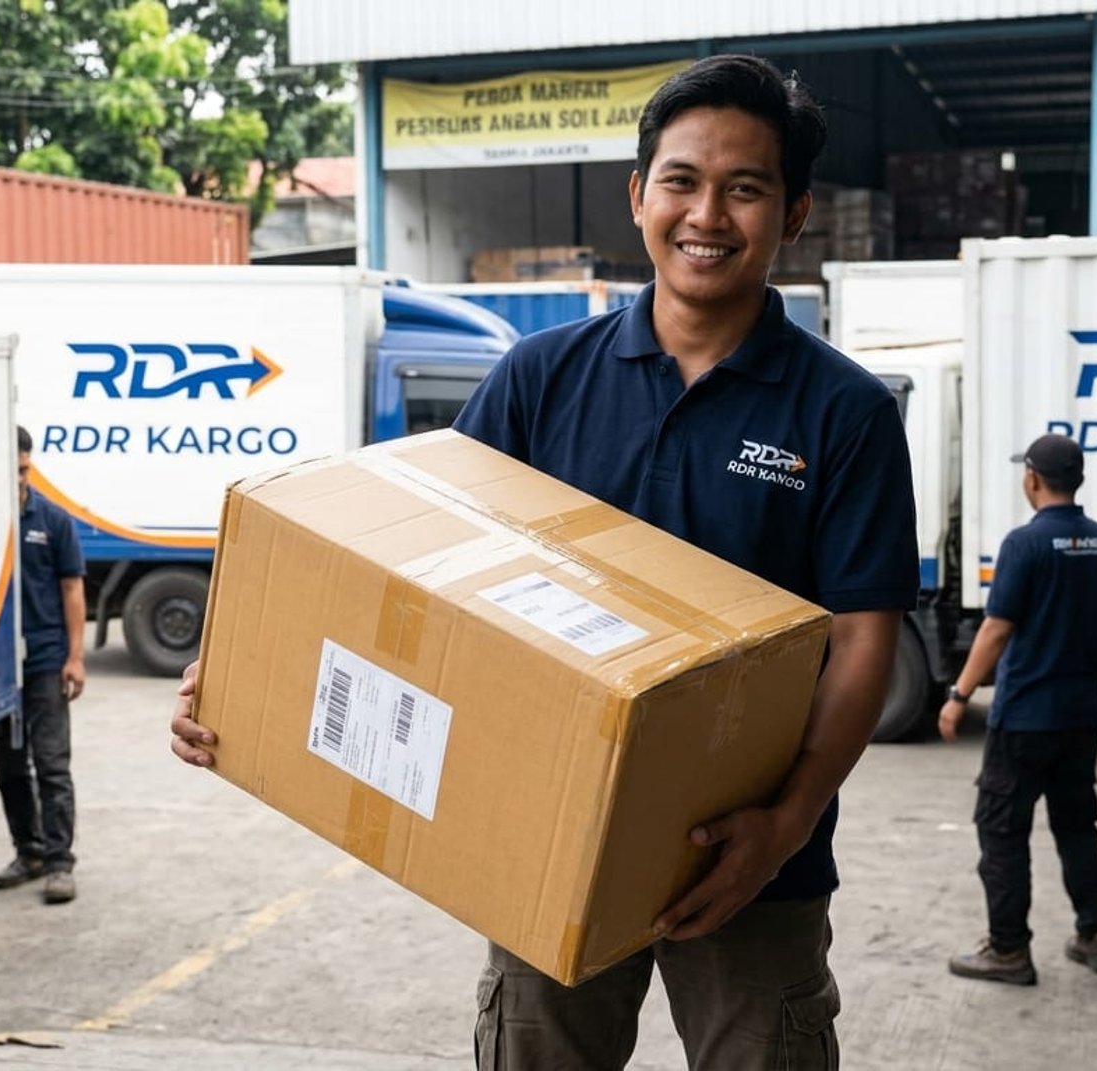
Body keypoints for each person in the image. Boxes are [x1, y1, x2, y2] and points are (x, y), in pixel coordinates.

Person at [170, 55, 918, 1070]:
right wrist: (254, 679)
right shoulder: (540, 378)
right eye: (683, 181)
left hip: (751, 862)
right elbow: (413, 575)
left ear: (792, 215)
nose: (708, 214)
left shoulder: (843, 412)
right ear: (639, 195)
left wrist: (782, 826)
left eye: (745, 189)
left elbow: (864, 638)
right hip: (546, 835)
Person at [937, 434, 1097, 986]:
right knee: (1076, 826)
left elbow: (997, 630)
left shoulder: (1023, 545)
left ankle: (1008, 950)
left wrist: (958, 696)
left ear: (1032, 480)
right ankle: (1096, 935)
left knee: (1001, 832)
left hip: (1024, 719)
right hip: (1080, 717)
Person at [0, 426, 87, 905]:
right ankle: (27, 852)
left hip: (46, 661)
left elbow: (73, 589)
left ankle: (58, 863)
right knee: (9, 767)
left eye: (25, 470)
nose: (19, 480)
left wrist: (75, 657)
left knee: (51, 764)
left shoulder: (52, 520)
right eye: (11, 472)